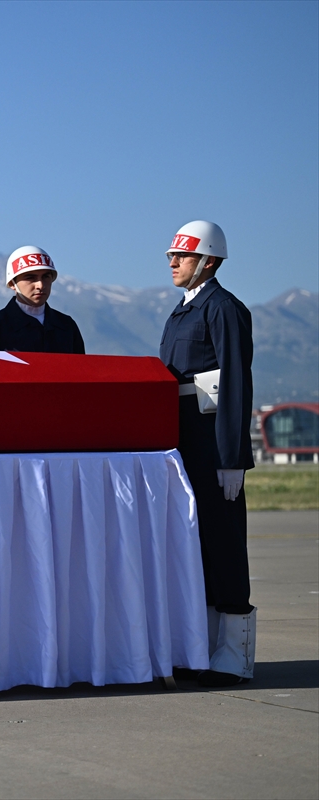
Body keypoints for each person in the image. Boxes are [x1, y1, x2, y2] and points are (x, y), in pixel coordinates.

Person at [159, 220, 255, 687]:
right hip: (185, 445)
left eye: (183, 256)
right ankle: (204, 648)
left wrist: (233, 456)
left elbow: (235, 383)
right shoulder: (181, 311)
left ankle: (234, 655)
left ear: (209, 261)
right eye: (171, 256)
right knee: (195, 547)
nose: (173, 263)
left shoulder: (223, 309)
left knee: (225, 545)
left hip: (216, 445)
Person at [0, 246, 86, 353]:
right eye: (30, 277)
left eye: (46, 276)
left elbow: (81, 372)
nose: (40, 285)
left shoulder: (67, 326)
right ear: (12, 283)